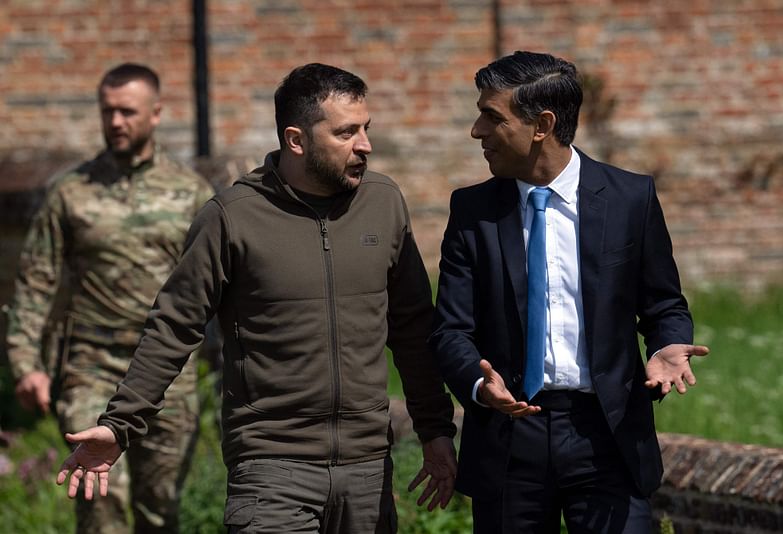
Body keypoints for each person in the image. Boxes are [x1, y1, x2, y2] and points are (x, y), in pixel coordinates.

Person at [55, 63, 458, 533]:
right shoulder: (232, 217)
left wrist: (435, 431)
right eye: (346, 132)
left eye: (366, 129)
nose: (364, 145)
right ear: (296, 140)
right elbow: (173, 325)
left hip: (367, 469)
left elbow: (412, 327)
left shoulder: (384, 202)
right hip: (270, 471)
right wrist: (121, 423)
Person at [429, 51, 710, 533]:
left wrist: (665, 345)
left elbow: (663, 304)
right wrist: (479, 385)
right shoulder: (471, 210)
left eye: (491, 117)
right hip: (509, 438)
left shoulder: (629, 198)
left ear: (542, 125)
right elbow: (451, 330)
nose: (477, 131)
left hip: (608, 436)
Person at [5, 63, 214, 533]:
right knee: (100, 503)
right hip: (92, 367)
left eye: (127, 111)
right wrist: (26, 364)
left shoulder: (191, 194)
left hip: (168, 375)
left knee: (159, 510)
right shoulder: (70, 193)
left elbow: (216, 285)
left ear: (156, 113)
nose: (115, 121)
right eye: (107, 111)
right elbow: (36, 281)